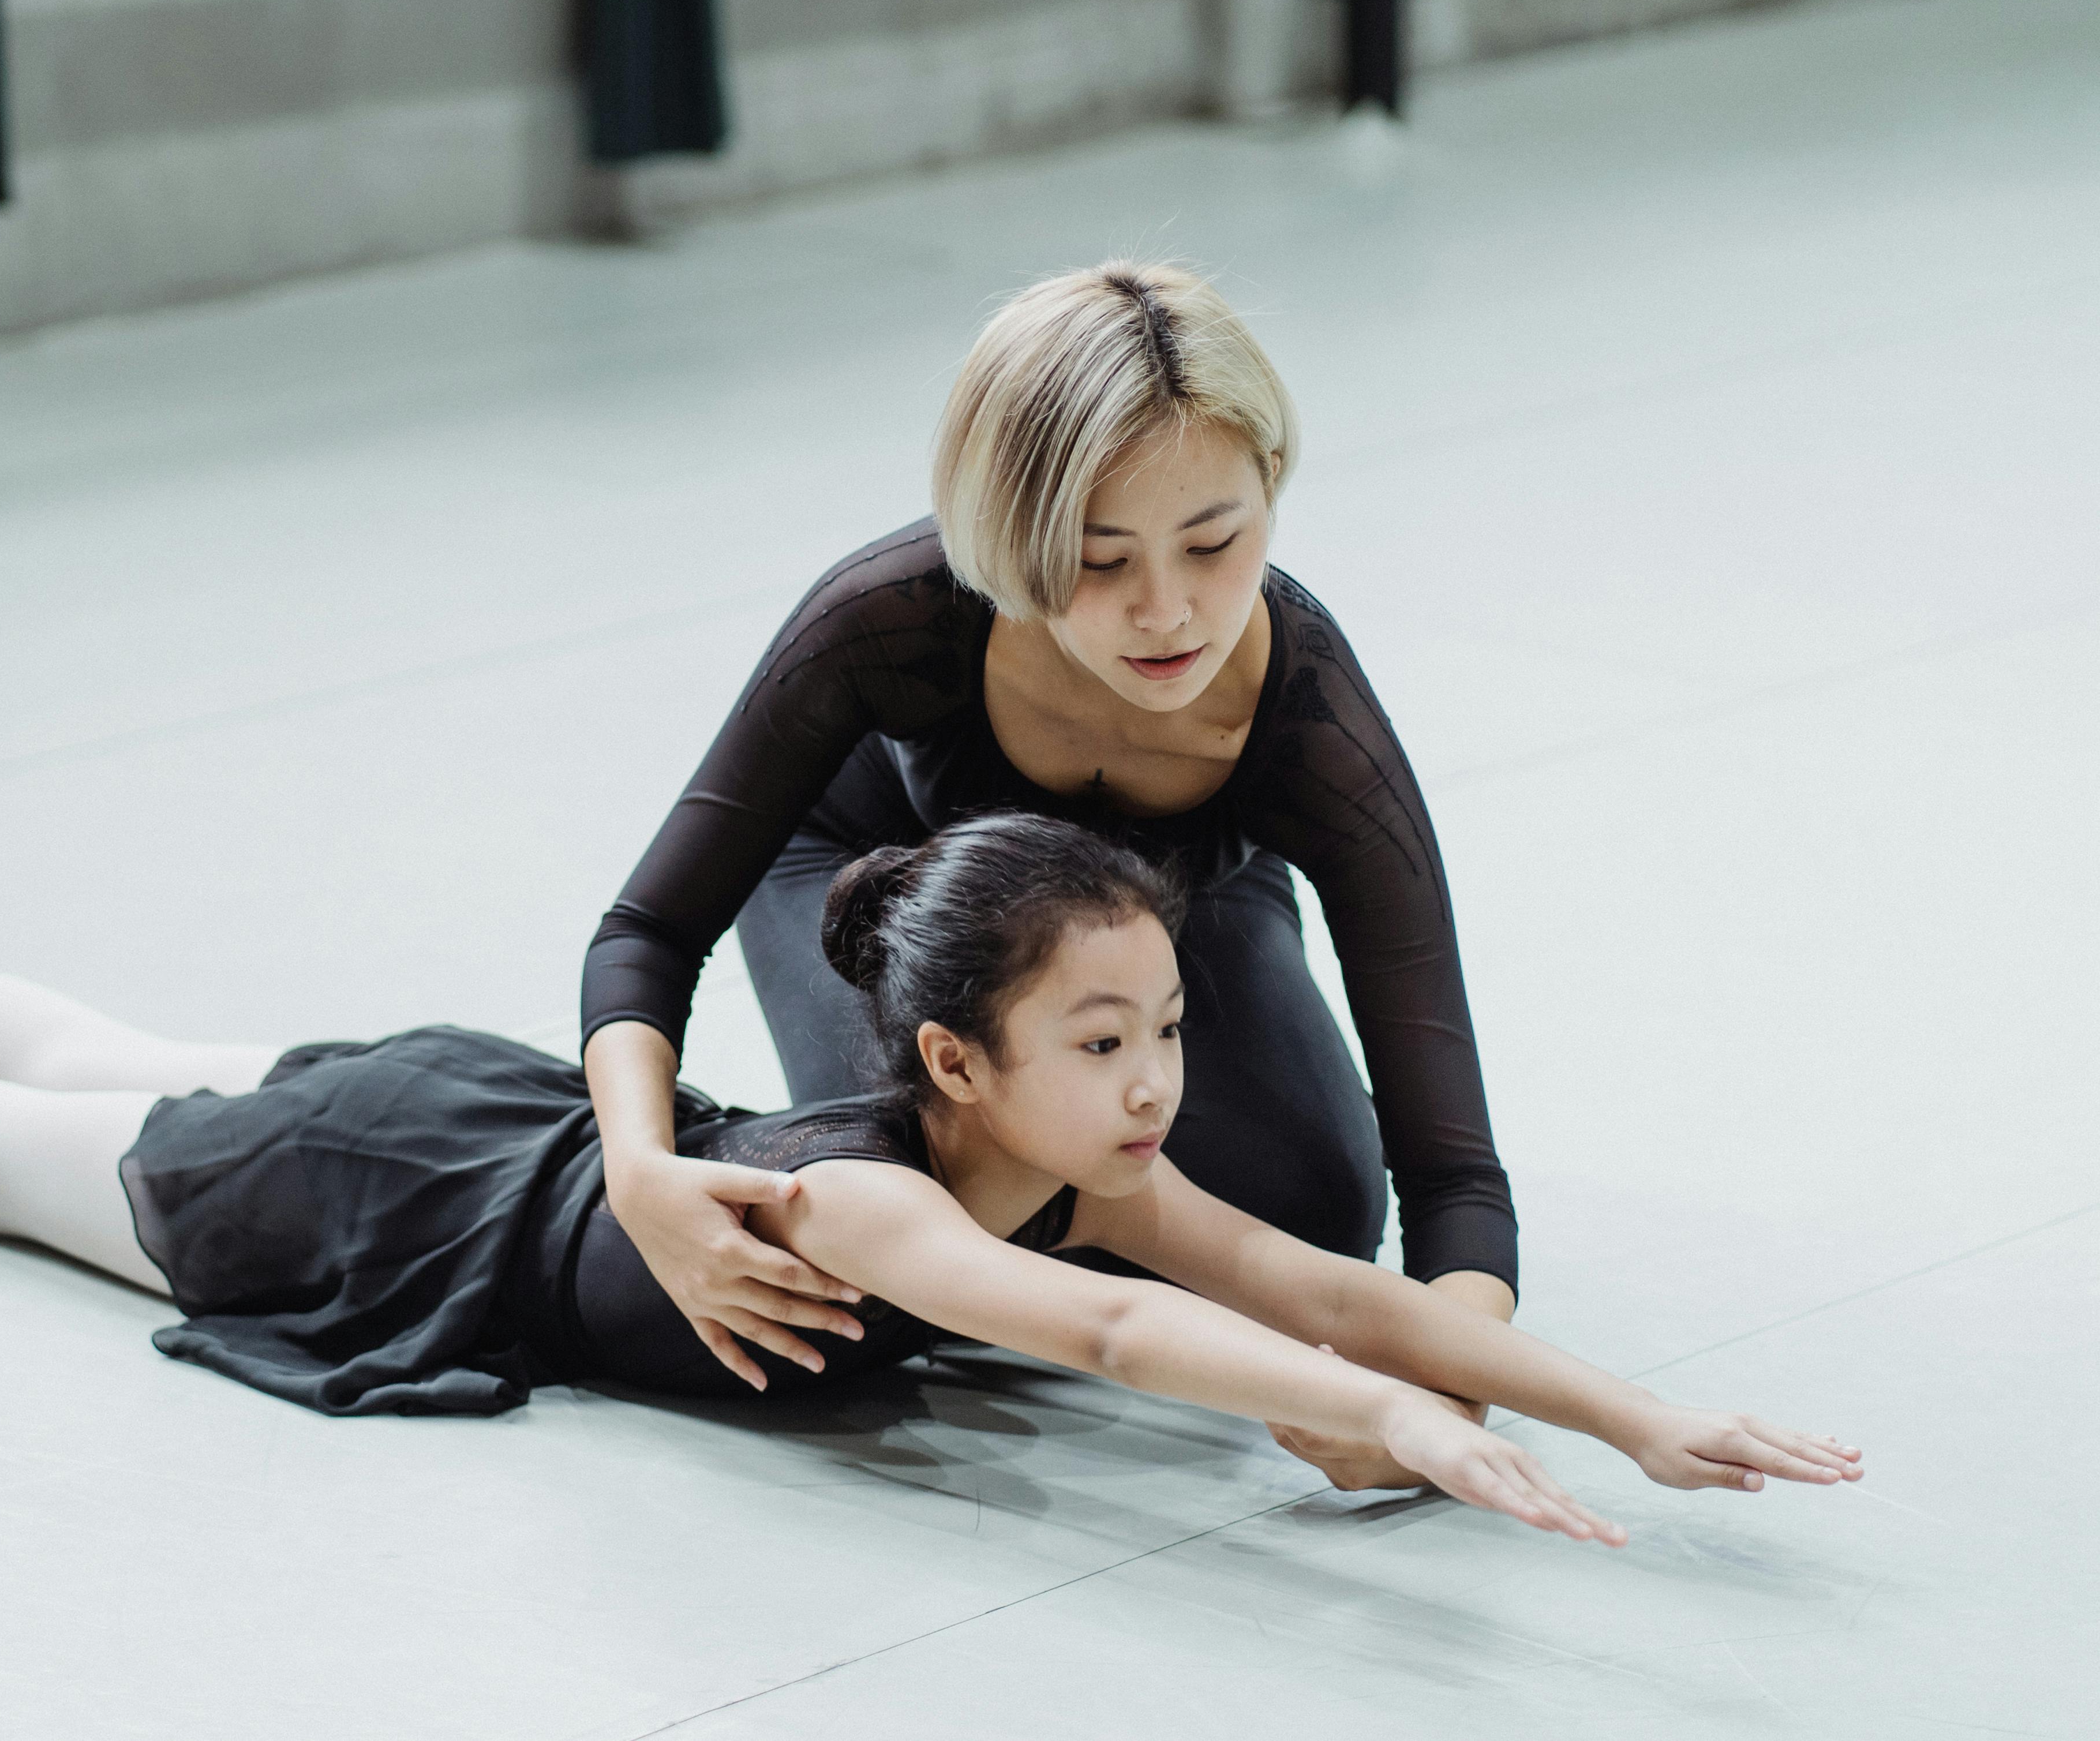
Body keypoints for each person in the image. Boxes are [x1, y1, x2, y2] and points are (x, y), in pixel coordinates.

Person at [0, 817, 1857, 1545]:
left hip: (472, 1114)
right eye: (1106, 1045)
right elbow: (1141, 1341)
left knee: (108, 1061)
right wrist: (1400, 1429)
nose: (1157, 1091)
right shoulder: (902, 1200)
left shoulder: (1069, 1164)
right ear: (947, 1060)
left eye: (1168, 1036)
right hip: (393, 1206)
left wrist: (1624, 1411)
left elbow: (1325, 1283)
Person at [580, 260, 1517, 1492]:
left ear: (1271, 496)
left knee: (1320, 1213)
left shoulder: (1314, 731)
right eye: (1099, 558)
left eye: (1216, 541)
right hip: (884, 878)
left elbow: (1451, 1166)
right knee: (936, 1223)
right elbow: (648, 928)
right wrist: (640, 1174)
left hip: (1163, 907)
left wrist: (1451, 1394)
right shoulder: (892, 616)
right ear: (1006, 541)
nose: (1169, 612)